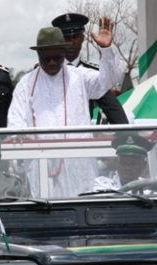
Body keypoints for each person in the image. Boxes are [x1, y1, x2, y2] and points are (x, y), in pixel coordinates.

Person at [8, 22, 122, 197]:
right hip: (41, 166)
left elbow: (108, 80)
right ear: (38, 56)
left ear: (63, 53)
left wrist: (106, 50)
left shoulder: (79, 76)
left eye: (57, 57)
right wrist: (18, 138)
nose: (52, 62)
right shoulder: (26, 84)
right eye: (46, 59)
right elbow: (15, 123)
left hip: (79, 165)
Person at [51, 12, 128, 124]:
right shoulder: (47, 72)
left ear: (82, 38)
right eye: (66, 37)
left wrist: (126, 137)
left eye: (75, 37)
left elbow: (113, 108)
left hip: (81, 137)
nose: (71, 42)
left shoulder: (91, 74)